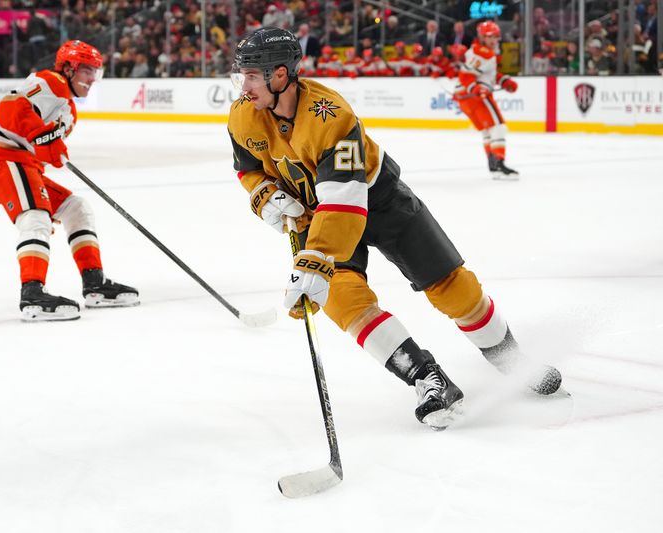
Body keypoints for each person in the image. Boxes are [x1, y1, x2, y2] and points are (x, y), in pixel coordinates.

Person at [228, 27, 562, 430]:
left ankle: (512, 361)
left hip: (378, 200)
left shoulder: (331, 116)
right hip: (320, 216)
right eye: (241, 75)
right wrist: (266, 195)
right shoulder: (243, 115)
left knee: (452, 289)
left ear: (279, 75)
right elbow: (247, 170)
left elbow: (345, 201)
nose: (243, 85)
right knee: (343, 301)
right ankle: (426, 377)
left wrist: (315, 259)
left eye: (250, 75)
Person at [0, 40, 139, 321]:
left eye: (96, 73)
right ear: (68, 68)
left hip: (21, 161)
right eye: (87, 71)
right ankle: (32, 294)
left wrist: (50, 147)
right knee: (35, 216)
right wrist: (41, 134)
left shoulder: (69, 111)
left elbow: (45, 145)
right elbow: (10, 108)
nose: (92, 79)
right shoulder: (50, 82)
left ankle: (94, 284)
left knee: (75, 207)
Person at [455, 21, 520, 180]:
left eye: (496, 36)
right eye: (489, 36)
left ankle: (493, 166)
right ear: (482, 37)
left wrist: (504, 80)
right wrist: (475, 89)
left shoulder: (479, 50)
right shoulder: (483, 52)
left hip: (466, 97)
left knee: (488, 130)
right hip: (475, 96)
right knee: (498, 127)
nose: (494, 40)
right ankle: (499, 164)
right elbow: (466, 76)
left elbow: (486, 74)